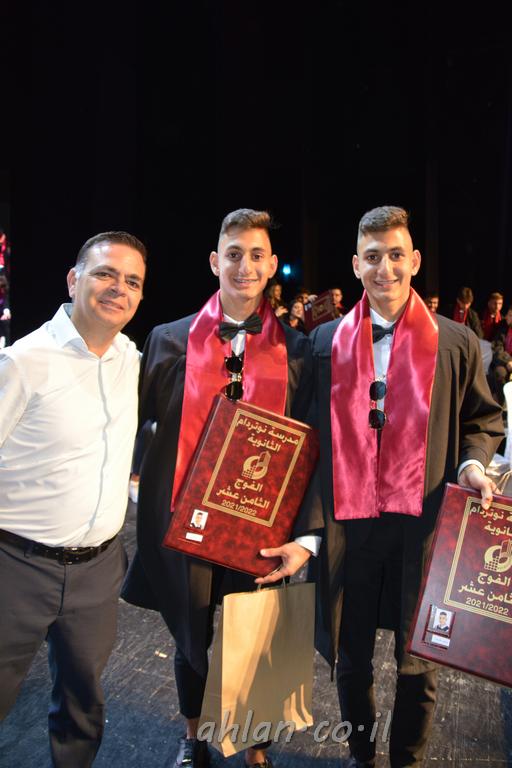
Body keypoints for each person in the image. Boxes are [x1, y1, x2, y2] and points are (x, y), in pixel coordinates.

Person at [308, 206, 503, 768]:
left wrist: (471, 465)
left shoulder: (456, 342)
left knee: (419, 660)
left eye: (396, 255)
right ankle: (361, 755)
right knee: (351, 655)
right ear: (356, 265)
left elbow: (482, 420)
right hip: (350, 526)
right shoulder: (324, 342)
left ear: (414, 260)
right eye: (372, 257)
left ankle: (408, 761)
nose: (385, 268)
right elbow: (308, 434)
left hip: (425, 525)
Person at [122, 208, 316, 768]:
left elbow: (313, 445)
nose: (244, 266)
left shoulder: (298, 350)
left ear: (272, 265)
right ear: (214, 262)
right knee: (191, 637)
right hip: (188, 519)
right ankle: (194, 736)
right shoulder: (169, 339)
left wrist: (306, 535)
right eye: (233, 254)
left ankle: (255, 749)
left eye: (256, 255)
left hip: (261, 526)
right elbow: (139, 420)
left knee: (257, 637)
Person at [0, 231, 147, 767]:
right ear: (73, 279)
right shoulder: (24, 361)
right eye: (105, 273)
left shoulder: (131, 358)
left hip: (98, 572)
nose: (118, 288)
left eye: (132, 281)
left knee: (83, 704)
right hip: (16, 568)